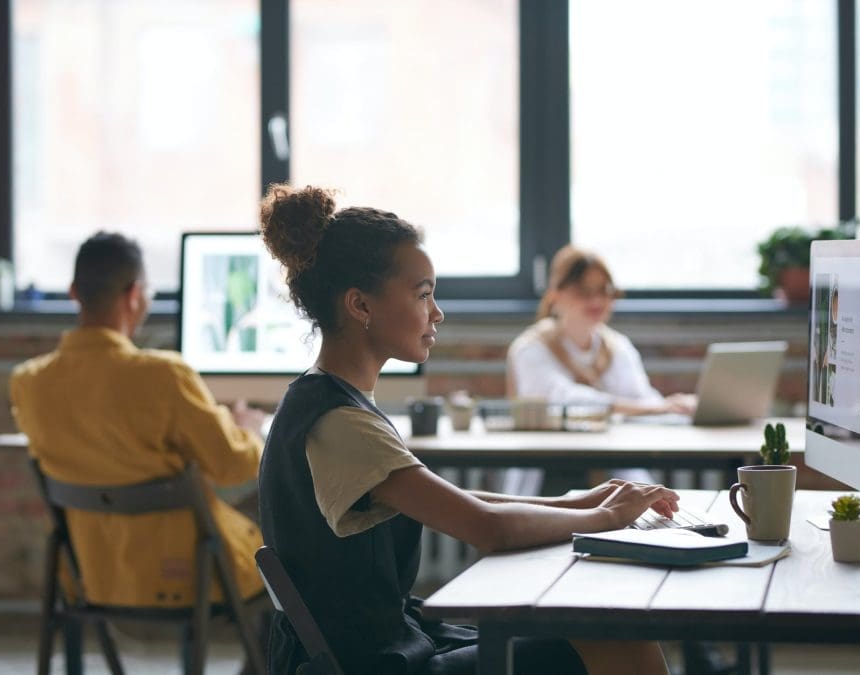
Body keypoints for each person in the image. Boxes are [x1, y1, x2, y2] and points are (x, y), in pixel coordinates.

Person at [257, 184, 678, 675]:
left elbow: (460, 501)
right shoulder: (339, 422)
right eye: (423, 294)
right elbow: (487, 528)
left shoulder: (331, 401)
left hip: (389, 645)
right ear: (361, 306)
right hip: (378, 664)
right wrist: (605, 519)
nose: (437, 312)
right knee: (620, 644)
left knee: (603, 633)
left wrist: (585, 501)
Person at [10, 232, 266, 610]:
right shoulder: (164, 376)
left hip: (90, 579)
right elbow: (231, 467)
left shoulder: (29, 382)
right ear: (134, 295)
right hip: (192, 575)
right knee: (285, 539)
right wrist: (248, 431)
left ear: (73, 293)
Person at [502, 245, 697, 494]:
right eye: (583, 291)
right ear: (555, 295)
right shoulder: (530, 348)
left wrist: (680, 408)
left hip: (612, 472)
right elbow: (563, 401)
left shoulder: (617, 347)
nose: (596, 300)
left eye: (604, 291)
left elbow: (642, 400)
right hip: (549, 476)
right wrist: (656, 406)